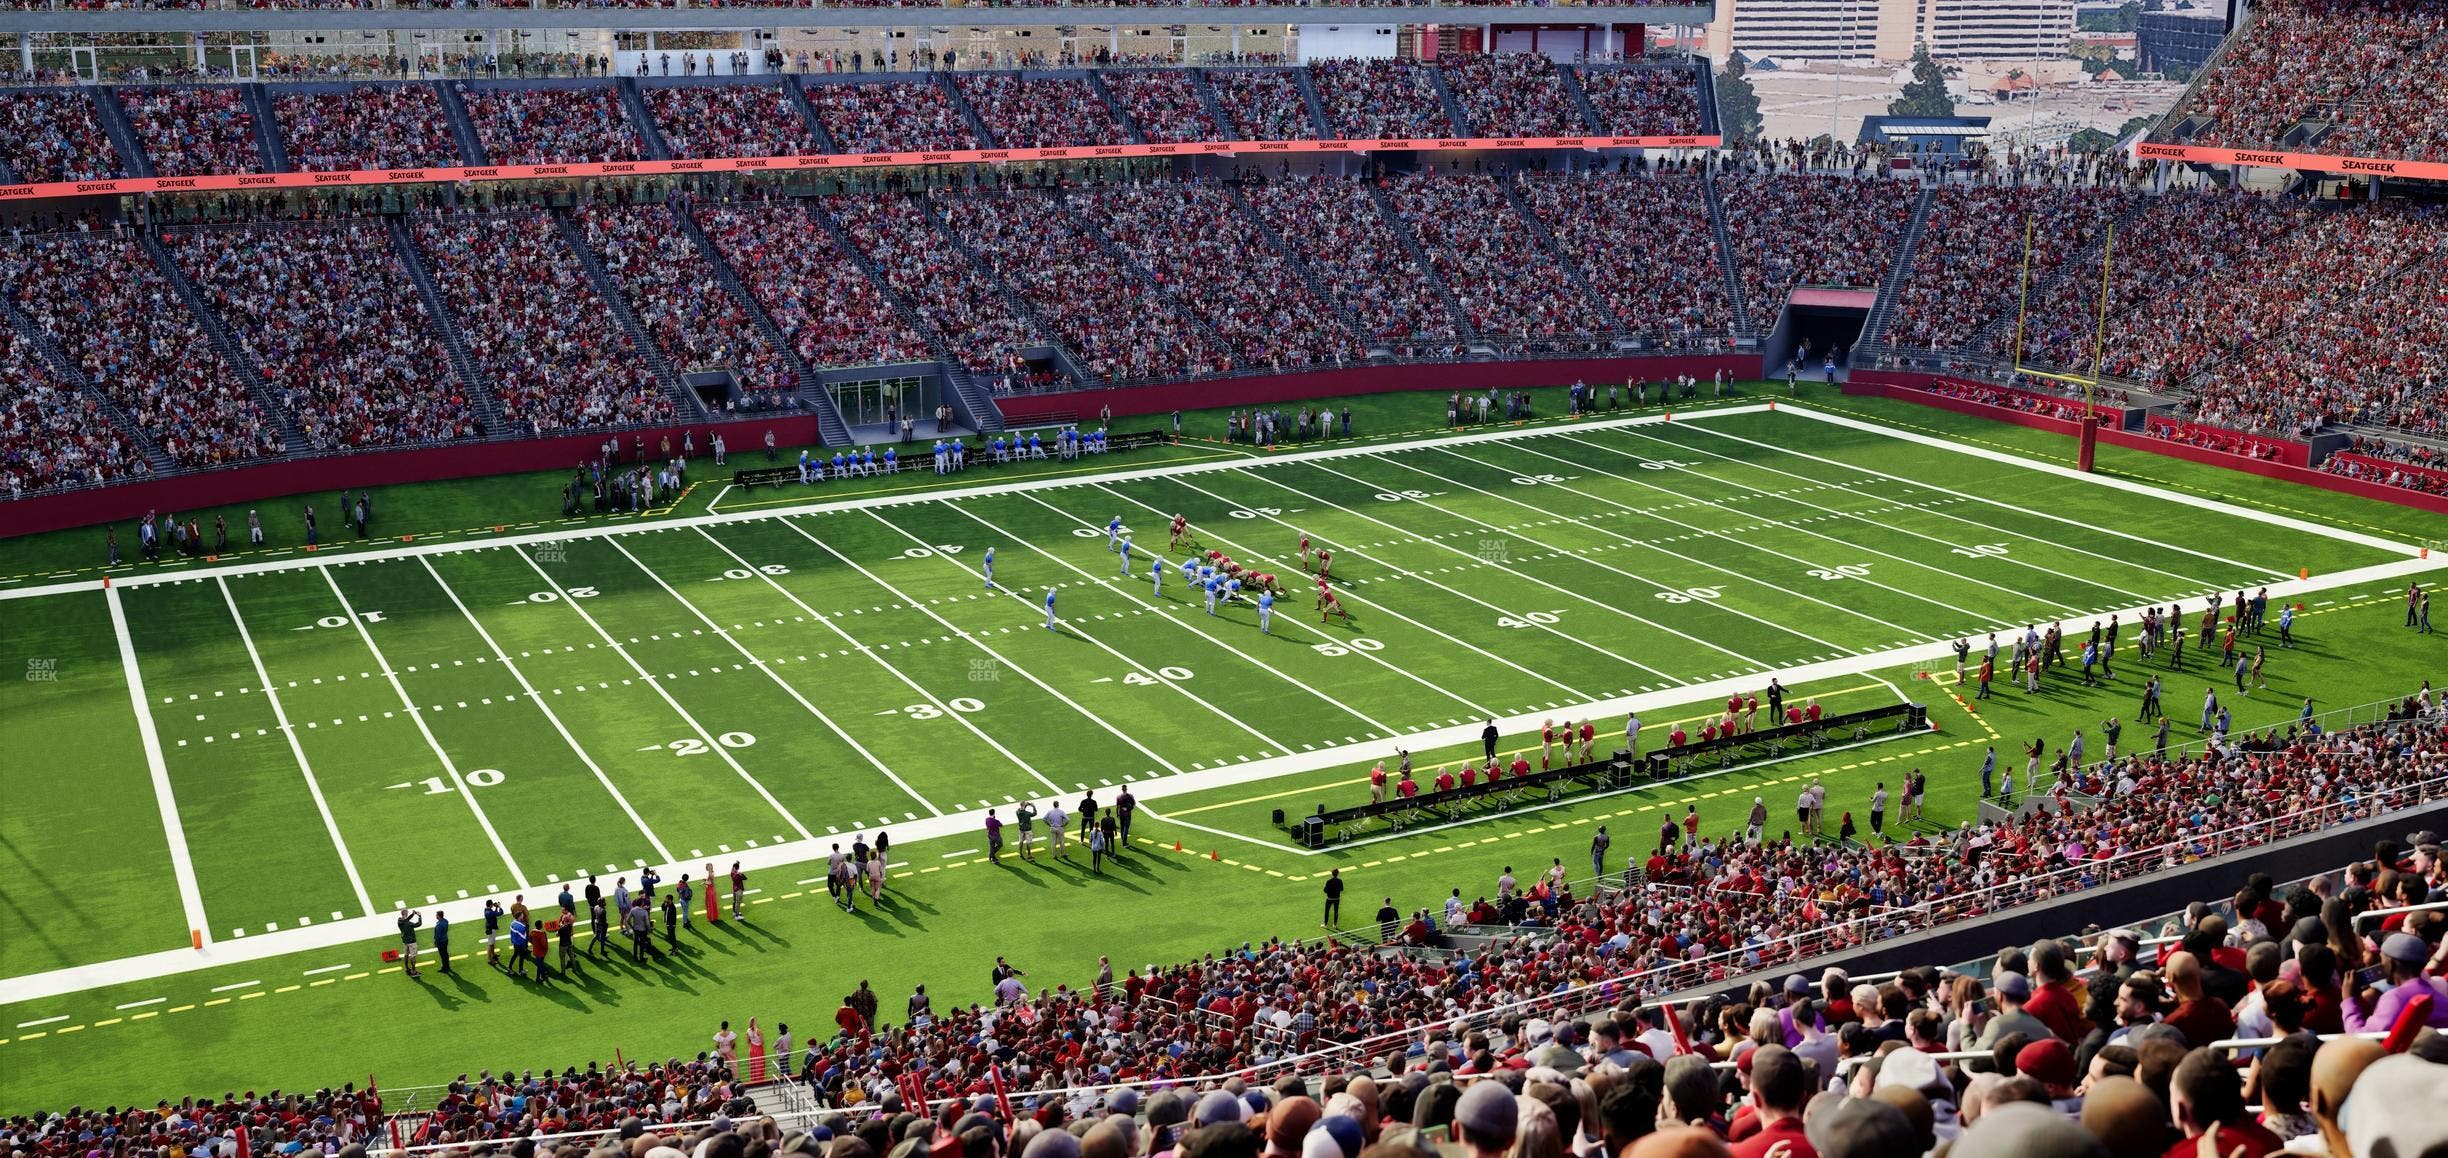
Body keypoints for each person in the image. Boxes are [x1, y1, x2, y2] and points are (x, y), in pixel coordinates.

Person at [398, 909, 424, 978]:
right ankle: (413, 971)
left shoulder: (399, 921)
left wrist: (412, 914)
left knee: (406, 955)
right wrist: (419, 916)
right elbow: (419, 924)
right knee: (413, 957)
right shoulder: (409, 924)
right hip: (412, 942)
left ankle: (407, 968)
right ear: (406, 914)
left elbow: (405, 920)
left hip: (405, 941)